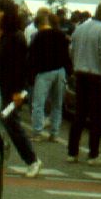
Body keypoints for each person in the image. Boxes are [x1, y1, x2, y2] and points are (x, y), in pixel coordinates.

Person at [0, 0, 41, 178]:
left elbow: (20, 67)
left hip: (11, 88)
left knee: (11, 124)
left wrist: (18, 92)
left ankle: (32, 160)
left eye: (1, 10)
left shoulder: (15, 37)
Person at [66, 0, 101, 166]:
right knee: (97, 117)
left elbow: (71, 51)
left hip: (80, 74)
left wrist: (76, 67)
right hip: (96, 77)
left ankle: (72, 152)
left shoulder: (80, 28)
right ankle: (93, 154)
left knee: (79, 115)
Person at [28, 12, 71, 143]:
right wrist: (68, 72)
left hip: (44, 72)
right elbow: (67, 55)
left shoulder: (38, 36)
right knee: (57, 104)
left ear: (39, 25)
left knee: (38, 104)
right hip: (60, 71)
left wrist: (31, 75)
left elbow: (32, 56)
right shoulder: (61, 35)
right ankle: (54, 133)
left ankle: (37, 132)